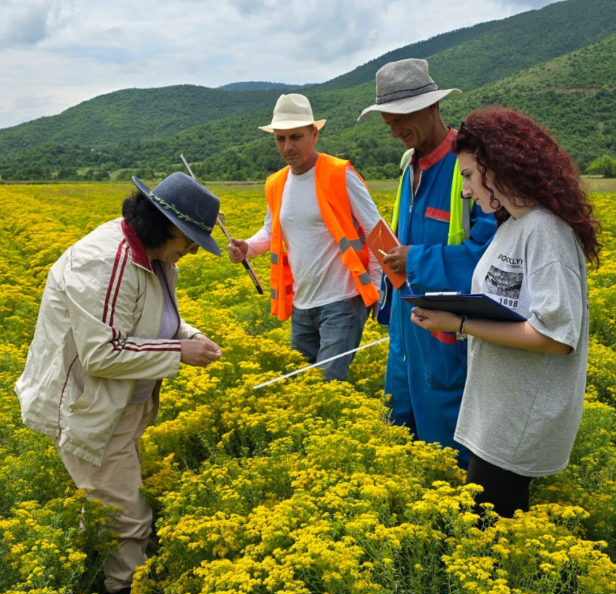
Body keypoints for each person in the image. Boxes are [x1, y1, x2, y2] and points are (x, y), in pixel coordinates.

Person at [15, 172, 223, 594]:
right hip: (88, 405)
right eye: (189, 238)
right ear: (164, 225)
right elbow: (102, 353)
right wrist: (179, 352)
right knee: (127, 514)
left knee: (111, 499)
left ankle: (98, 562)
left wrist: (190, 335)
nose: (191, 249)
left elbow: (154, 320)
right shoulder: (105, 262)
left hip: (118, 405)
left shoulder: (155, 257)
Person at [411, 108, 601, 517]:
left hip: (520, 417)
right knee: (500, 531)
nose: (464, 191)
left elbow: (556, 337)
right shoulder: (512, 224)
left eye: (467, 175)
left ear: (496, 167)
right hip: (497, 410)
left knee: (484, 536)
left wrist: (460, 323)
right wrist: (452, 313)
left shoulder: (546, 231)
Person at [358, 58, 497, 468]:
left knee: (447, 449)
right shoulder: (407, 167)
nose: (396, 130)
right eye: (388, 122)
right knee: (400, 435)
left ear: (433, 107)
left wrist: (415, 258)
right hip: (405, 330)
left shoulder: (468, 169)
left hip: (449, 337)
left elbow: (492, 255)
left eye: (403, 118)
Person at [227, 93, 382, 381]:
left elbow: (376, 230)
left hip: (344, 301)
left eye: (295, 137)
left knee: (327, 385)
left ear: (314, 134)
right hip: (302, 306)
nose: (287, 147)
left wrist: (377, 289)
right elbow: (270, 230)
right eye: (280, 138)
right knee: (306, 388)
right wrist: (246, 248)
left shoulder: (339, 173)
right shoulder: (276, 183)